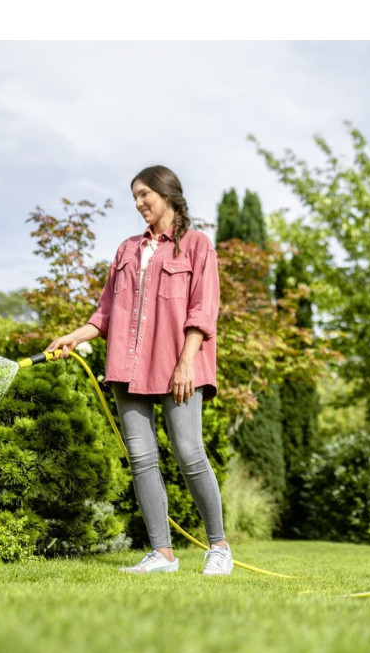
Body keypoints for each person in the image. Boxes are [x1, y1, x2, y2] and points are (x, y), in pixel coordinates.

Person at [46, 165, 231, 576]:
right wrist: (73, 337)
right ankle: (162, 554)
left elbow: (203, 310)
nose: (139, 203)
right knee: (142, 459)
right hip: (127, 366)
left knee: (189, 452)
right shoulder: (127, 250)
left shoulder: (197, 245)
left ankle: (219, 547)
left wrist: (186, 362)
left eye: (145, 194)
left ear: (168, 194)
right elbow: (106, 313)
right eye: (135, 196)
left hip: (178, 363)